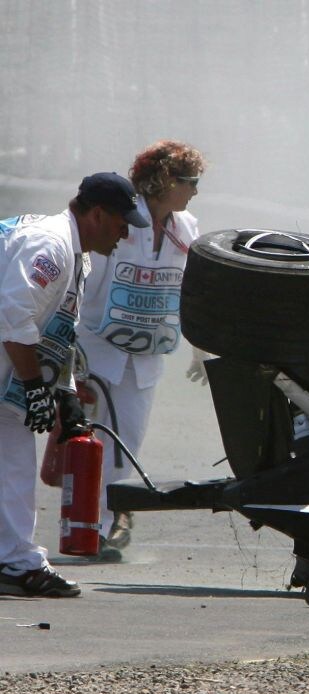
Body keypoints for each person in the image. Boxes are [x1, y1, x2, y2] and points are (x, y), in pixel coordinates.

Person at [0, 172, 149, 597]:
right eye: (122, 223)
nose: (125, 234)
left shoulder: (75, 252)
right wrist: (32, 386)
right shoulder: (49, 245)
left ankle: (15, 561)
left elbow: (57, 330)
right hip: (9, 359)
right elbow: (14, 319)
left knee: (13, 458)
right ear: (97, 214)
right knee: (12, 456)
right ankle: (15, 561)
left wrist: (62, 392)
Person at [76, 140, 206, 561]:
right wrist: (67, 342)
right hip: (98, 343)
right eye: (190, 182)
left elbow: (192, 290)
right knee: (98, 433)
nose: (195, 191)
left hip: (147, 350)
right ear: (166, 181)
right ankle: (91, 526)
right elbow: (86, 278)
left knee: (127, 436)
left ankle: (116, 509)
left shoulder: (187, 228)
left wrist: (199, 350)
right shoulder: (123, 221)